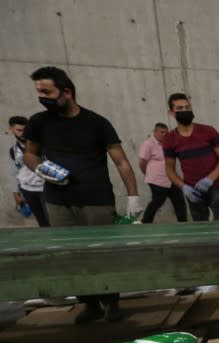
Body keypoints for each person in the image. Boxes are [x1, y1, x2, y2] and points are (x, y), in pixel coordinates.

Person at [23, 66, 140, 323]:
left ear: (66, 91)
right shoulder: (39, 123)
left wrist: (133, 197)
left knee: (102, 254)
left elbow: (121, 161)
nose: (42, 97)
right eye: (39, 92)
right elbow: (30, 154)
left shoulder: (97, 123)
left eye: (47, 92)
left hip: (96, 201)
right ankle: (89, 304)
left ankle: (111, 302)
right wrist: (40, 168)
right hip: (58, 202)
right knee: (71, 256)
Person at [162, 93, 219, 221]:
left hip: (217, 187)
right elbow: (169, 170)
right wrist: (184, 187)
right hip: (193, 191)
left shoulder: (208, 131)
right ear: (171, 113)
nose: (185, 111)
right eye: (180, 108)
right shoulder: (169, 139)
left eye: (187, 107)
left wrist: (209, 179)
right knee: (202, 231)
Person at [137, 122, 187, 223]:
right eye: (162, 132)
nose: (164, 134)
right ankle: (145, 221)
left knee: (179, 200)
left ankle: (183, 222)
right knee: (157, 201)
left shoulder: (168, 143)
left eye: (166, 132)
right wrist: (147, 174)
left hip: (171, 177)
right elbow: (142, 162)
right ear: (155, 132)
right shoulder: (148, 143)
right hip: (157, 179)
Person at [7, 116, 48, 226]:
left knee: (52, 220)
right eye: (19, 130)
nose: (23, 133)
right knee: (41, 222)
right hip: (27, 190)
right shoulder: (13, 150)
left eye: (25, 129)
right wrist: (16, 193)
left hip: (45, 187)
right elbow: (14, 172)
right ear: (11, 129)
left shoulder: (41, 145)